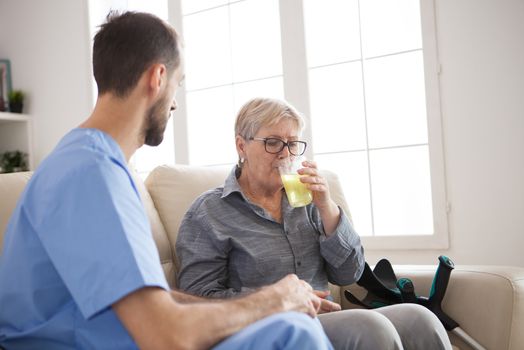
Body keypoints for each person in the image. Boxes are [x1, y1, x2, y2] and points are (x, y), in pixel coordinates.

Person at [0, 12, 335, 350]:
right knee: (296, 333)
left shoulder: (88, 160)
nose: (174, 102)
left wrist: (269, 301)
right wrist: (272, 301)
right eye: (179, 83)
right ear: (157, 78)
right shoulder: (92, 173)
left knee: (289, 325)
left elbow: (149, 300)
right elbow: (164, 335)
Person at [176, 97, 453, 350]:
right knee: (370, 327)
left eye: (293, 143)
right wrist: (276, 300)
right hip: (268, 329)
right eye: (273, 142)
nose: (286, 154)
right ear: (242, 146)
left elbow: (349, 274)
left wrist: (327, 208)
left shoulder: (309, 201)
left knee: (420, 318)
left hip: (323, 319)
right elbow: (197, 298)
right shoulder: (209, 212)